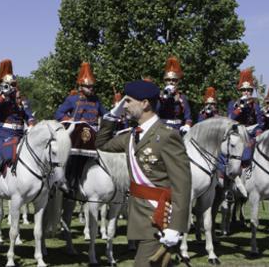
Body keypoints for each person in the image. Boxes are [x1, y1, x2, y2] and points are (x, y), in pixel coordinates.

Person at [97, 80, 191, 267]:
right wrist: (111, 117)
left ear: (145, 103)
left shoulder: (166, 136)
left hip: (158, 218)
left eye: (128, 101)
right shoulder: (131, 135)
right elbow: (102, 143)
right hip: (138, 217)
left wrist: (176, 227)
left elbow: (182, 184)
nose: (124, 106)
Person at [0, 59, 35, 202]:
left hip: (20, 134)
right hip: (4, 134)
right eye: (10, 85)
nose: (13, 87)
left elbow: (28, 115)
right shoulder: (1, 98)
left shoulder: (21, 100)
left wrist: (31, 125)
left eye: (14, 84)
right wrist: (3, 95)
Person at [54, 62, 106, 128]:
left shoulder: (96, 100)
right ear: (81, 87)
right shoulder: (72, 99)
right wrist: (68, 120)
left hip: (94, 130)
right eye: (87, 87)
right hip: (77, 130)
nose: (91, 88)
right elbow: (58, 113)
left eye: (91, 86)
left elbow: (105, 114)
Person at [157, 56, 192, 134]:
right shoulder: (159, 96)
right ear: (165, 81)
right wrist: (163, 98)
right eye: (168, 80)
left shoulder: (182, 97)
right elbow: (156, 113)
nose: (171, 82)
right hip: (163, 128)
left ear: (177, 82)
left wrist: (187, 125)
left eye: (174, 80)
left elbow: (188, 116)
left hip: (178, 128)